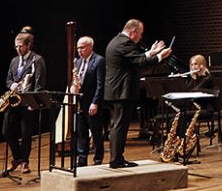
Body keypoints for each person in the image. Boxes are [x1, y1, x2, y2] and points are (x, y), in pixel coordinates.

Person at [104, 19, 172, 168]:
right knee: (119, 126)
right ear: (133, 32)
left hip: (115, 91)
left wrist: (151, 52)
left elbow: (133, 58)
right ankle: (116, 160)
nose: (141, 37)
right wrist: (160, 57)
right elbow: (139, 62)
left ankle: (117, 158)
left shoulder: (117, 41)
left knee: (118, 125)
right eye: (140, 34)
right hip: (121, 92)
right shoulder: (124, 43)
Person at [2, 32, 46, 175]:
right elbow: (8, 79)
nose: (18, 49)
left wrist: (33, 102)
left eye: (20, 46)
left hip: (27, 102)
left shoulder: (37, 60)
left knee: (26, 133)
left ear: (28, 45)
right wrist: (12, 85)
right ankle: (17, 158)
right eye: (16, 46)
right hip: (13, 100)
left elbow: (40, 84)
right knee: (6, 131)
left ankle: (24, 162)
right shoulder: (14, 60)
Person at [74, 36, 105, 167]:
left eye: (82, 47)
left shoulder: (99, 61)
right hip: (80, 102)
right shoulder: (77, 62)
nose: (79, 50)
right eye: (78, 48)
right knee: (81, 132)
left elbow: (100, 84)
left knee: (96, 132)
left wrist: (95, 103)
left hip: (92, 102)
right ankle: (82, 159)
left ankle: (98, 159)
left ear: (90, 46)